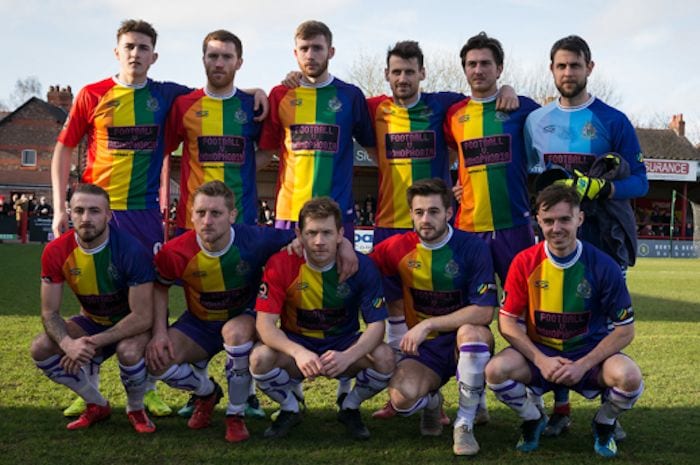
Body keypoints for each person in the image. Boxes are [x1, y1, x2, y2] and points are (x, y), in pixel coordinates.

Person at [525, 35, 647, 438]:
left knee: (610, 321)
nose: (568, 73)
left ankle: (608, 410)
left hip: (604, 237)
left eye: (575, 66)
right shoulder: (536, 122)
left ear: (589, 68)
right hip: (556, 236)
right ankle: (560, 407)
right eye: (561, 66)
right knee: (555, 320)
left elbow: (641, 182)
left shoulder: (614, 121)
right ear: (552, 70)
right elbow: (528, 178)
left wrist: (605, 189)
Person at [485, 184, 643, 458]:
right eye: (548, 221)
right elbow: (507, 322)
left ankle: (604, 423)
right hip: (542, 354)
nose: (556, 228)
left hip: (588, 355)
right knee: (495, 371)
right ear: (538, 221)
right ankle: (533, 418)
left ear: (580, 219)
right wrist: (540, 359)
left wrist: (583, 364)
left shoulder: (603, 265)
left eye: (564, 219)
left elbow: (625, 330)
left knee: (629, 378)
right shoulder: (523, 262)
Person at [146, 180, 296, 442]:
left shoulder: (255, 240)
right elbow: (160, 287)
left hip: (242, 318)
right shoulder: (175, 252)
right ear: (191, 215)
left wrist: (333, 247)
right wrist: (159, 332)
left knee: (235, 334)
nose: (207, 221)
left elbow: (302, 235)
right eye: (200, 213)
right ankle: (207, 393)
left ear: (232, 215)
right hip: (199, 323)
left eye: (216, 213)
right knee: (159, 362)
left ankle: (235, 414)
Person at [370, 178, 498, 456]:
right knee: (402, 401)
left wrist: (428, 323)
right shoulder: (396, 247)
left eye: (433, 211)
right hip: (424, 350)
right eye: (419, 212)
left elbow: (484, 310)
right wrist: (343, 249)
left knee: (471, 333)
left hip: (460, 342)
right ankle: (431, 401)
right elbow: (360, 264)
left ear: (449, 213)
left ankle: (464, 424)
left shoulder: (472, 247)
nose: (425, 219)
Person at [251, 197, 394, 440]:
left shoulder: (361, 266)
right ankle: (290, 407)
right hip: (297, 347)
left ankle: (350, 406)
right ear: (299, 234)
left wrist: (349, 355)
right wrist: (297, 352)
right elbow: (264, 325)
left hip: (343, 346)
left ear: (340, 234)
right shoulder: (281, 263)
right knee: (259, 358)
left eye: (327, 233)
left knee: (385, 357)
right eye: (311, 233)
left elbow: (377, 326)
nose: (318, 241)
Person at [29, 183, 156, 433]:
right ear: (70, 213)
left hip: (130, 324)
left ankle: (136, 408)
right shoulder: (55, 251)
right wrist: (68, 344)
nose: (86, 218)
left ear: (108, 215)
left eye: (95, 211)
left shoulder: (131, 250)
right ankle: (96, 403)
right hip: (92, 320)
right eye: (79, 210)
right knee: (40, 347)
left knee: (129, 352)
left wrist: (92, 342)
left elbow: (142, 316)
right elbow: (49, 312)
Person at [258, 20, 375, 243]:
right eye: (304, 49)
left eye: (317, 48)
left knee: (338, 277)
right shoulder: (280, 95)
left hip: (337, 214)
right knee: (289, 277)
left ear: (331, 52)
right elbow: (266, 152)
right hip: (290, 213)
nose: (310, 55)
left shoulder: (350, 96)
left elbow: (371, 148)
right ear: (295, 53)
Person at [165, 29, 263, 232]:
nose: (219, 63)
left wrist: (244, 171)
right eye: (213, 56)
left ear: (239, 62)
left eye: (227, 57)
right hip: (191, 222)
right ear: (203, 60)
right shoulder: (184, 105)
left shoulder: (252, 106)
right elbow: (164, 149)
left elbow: (270, 150)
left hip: (241, 219)